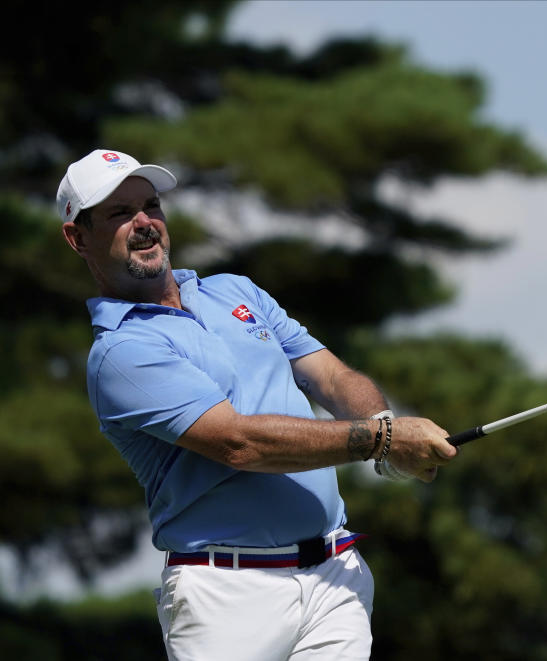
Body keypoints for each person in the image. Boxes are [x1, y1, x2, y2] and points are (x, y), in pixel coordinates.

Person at [57, 149, 458, 660]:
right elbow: (238, 443)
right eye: (119, 214)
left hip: (336, 574)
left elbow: (331, 376)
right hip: (225, 596)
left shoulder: (235, 291)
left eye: (151, 205)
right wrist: (382, 440)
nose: (144, 223)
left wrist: (383, 431)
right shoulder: (119, 352)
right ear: (77, 238)